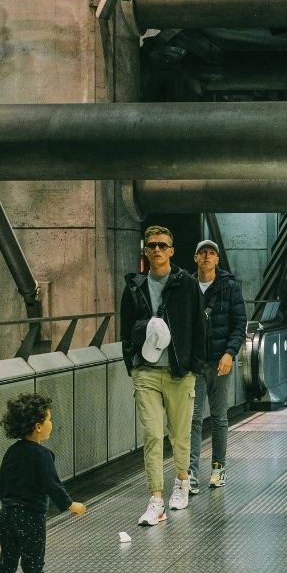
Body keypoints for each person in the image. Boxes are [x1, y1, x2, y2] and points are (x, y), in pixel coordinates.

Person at [120, 225, 206, 526]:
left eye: (162, 245)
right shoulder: (134, 287)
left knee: (179, 436)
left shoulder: (186, 285)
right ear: (145, 250)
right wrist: (132, 363)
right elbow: (125, 329)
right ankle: (156, 500)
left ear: (171, 250)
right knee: (153, 435)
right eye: (151, 245)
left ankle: (182, 481)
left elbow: (199, 326)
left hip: (179, 373)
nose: (156, 250)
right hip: (146, 372)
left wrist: (195, 365)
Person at [0, 393, 86, 573]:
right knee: (33, 566)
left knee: (6, 562)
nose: (52, 423)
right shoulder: (43, 455)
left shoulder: (12, 452)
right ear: (38, 427)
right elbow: (53, 485)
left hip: (8, 514)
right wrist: (71, 505)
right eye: (49, 419)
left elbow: (2, 484)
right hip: (31, 516)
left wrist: (10, 503)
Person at [188, 239, 248, 494]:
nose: (207, 257)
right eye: (203, 253)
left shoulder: (229, 287)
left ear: (217, 259)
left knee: (219, 417)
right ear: (195, 258)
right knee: (191, 419)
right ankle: (190, 471)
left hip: (220, 362)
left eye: (211, 253)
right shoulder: (187, 286)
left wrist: (230, 353)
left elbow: (239, 323)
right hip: (195, 363)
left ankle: (218, 466)